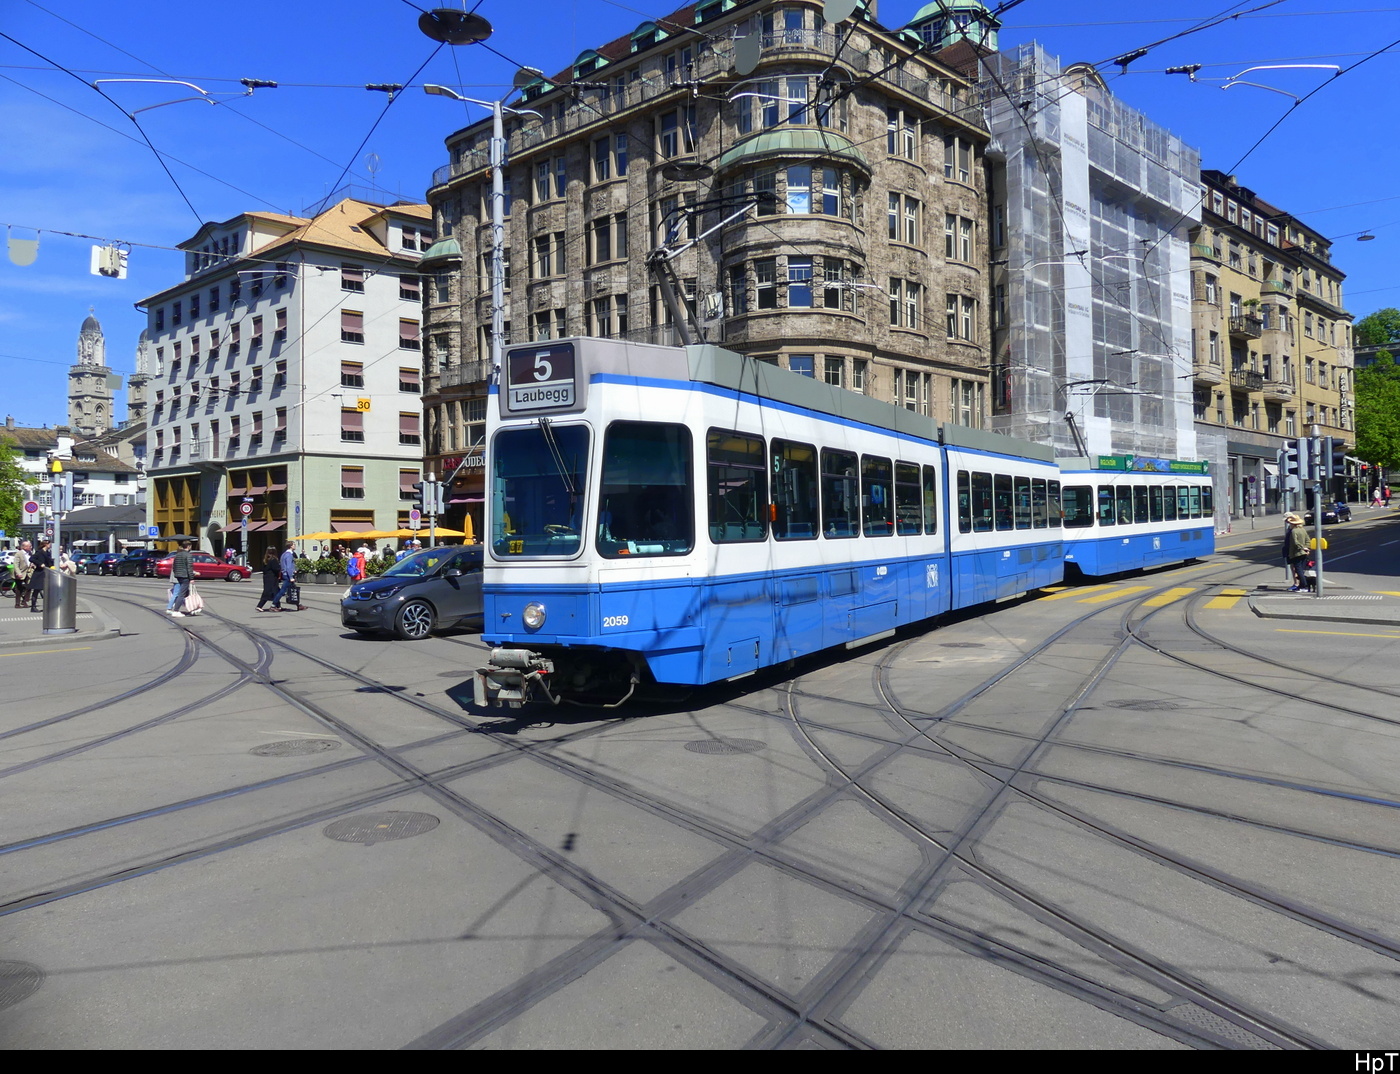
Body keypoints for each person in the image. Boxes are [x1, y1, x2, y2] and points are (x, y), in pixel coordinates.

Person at [271, 540, 307, 611]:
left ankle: (299, 605)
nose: (295, 546)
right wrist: (291, 577)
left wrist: (293, 570)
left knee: (294, 590)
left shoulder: (284, 554)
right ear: (291, 546)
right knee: (283, 591)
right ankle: (273, 605)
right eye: (294, 544)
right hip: (288, 576)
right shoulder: (289, 555)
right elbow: (288, 567)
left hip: (285, 574)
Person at [166, 540, 195, 616]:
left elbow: (174, 566)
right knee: (181, 594)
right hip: (185, 576)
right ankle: (176, 611)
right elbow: (189, 567)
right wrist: (191, 578)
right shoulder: (188, 555)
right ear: (188, 546)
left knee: (182, 593)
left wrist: (176, 574)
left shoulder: (177, 555)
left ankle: (188, 607)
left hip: (178, 576)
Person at [1282, 512, 1309, 592]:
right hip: (1299, 552)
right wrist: (1306, 548)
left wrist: (1302, 548)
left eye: (1288, 520)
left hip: (1295, 552)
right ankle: (1300, 585)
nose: (1287, 522)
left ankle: (1302, 585)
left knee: (1297, 569)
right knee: (1298, 569)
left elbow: (1295, 542)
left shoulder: (1294, 531)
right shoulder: (1302, 529)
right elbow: (1307, 539)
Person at [27, 540, 53, 611]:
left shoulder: (48, 552)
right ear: (45, 544)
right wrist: (40, 563)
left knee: (47, 590)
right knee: (36, 590)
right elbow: (31, 559)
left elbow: (49, 562)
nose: (50, 545)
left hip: (46, 573)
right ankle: (33, 606)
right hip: (39, 573)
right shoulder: (39, 552)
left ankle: (48, 606)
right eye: (49, 544)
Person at [12, 540, 33, 610]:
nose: (31, 547)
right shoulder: (19, 554)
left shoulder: (30, 553)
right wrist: (18, 573)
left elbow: (30, 562)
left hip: (28, 572)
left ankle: (25, 601)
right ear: (24, 547)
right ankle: (17, 603)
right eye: (29, 546)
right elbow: (16, 564)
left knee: (29, 587)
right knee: (19, 589)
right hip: (20, 573)